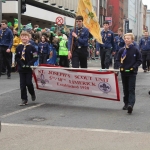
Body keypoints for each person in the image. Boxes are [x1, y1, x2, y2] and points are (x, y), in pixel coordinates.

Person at [116, 33, 142, 114]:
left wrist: (134, 67)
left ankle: (131, 104)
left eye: (128, 38)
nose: (126, 40)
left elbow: (139, 60)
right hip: (124, 72)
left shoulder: (135, 50)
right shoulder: (121, 50)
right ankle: (126, 103)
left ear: (132, 40)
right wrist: (120, 66)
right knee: (125, 89)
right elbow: (117, 60)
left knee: (131, 89)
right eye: (125, 38)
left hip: (132, 72)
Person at [15, 31, 38, 106]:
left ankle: (32, 93)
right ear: (20, 38)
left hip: (29, 69)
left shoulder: (32, 47)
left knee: (29, 83)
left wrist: (29, 64)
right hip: (21, 69)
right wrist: (21, 64)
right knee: (22, 85)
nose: (24, 38)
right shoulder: (18, 47)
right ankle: (24, 99)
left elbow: (35, 57)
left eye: (25, 36)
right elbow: (17, 57)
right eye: (22, 36)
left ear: (29, 38)